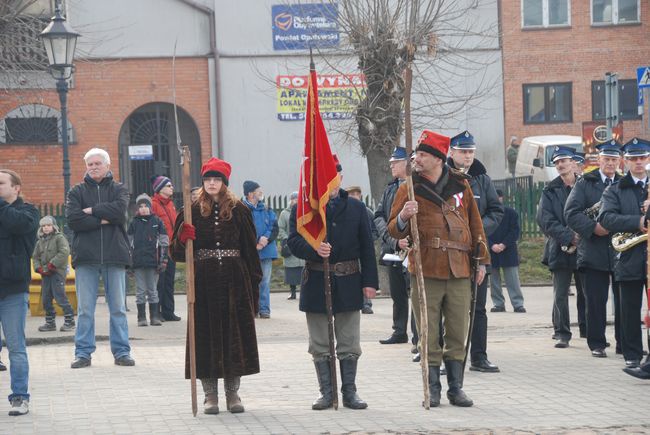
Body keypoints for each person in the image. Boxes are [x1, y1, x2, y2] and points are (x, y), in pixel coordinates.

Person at [388, 130, 488, 408]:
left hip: (459, 267)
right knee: (428, 331)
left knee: (458, 329)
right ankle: (432, 388)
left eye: (422, 154)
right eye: (416, 154)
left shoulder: (461, 185)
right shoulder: (408, 186)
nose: (416, 159)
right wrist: (404, 216)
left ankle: (455, 388)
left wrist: (482, 261)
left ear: (437, 158)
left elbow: (475, 224)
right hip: (426, 267)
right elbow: (393, 228)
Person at [170, 157, 262, 414]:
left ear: (224, 182)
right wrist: (182, 237)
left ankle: (233, 394)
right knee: (205, 336)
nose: (212, 183)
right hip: (203, 281)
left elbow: (250, 253)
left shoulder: (240, 210)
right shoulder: (190, 209)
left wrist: (254, 287)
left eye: (216, 179)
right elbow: (175, 254)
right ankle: (210, 395)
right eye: (208, 179)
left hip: (235, 280)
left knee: (234, 337)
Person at [288, 159, 378, 410]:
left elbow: (367, 247)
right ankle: (327, 393)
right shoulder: (305, 208)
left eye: (334, 175)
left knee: (349, 340)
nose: (330, 181)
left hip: (349, 280)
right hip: (316, 281)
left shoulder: (357, 208)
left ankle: (349, 392)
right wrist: (315, 248)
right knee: (319, 342)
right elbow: (293, 242)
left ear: (340, 176)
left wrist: (370, 282)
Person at [66, 148, 134, 369]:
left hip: (115, 255)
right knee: (85, 309)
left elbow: (120, 212)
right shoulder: (75, 192)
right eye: (90, 164)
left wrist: (92, 210)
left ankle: (122, 352)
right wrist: (104, 219)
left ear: (107, 165)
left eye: (98, 163)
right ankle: (83, 353)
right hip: (86, 258)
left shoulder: (119, 189)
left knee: (118, 309)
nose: (93, 167)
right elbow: (74, 221)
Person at [447, 130, 503, 373]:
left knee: (478, 308)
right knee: (448, 307)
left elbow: (496, 211)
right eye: (463, 151)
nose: (468, 156)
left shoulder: (482, 179)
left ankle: (479, 356)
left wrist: (477, 230)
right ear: (451, 152)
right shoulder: (442, 177)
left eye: (471, 151)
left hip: (477, 251)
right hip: (450, 252)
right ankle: (449, 357)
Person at [565, 140, 622, 358]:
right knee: (596, 302)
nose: (610, 163)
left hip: (620, 251)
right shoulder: (585, 183)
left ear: (619, 161)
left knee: (624, 302)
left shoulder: (624, 183)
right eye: (606, 159)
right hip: (593, 250)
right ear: (598, 160)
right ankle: (597, 343)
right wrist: (593, 228)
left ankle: (624, 343)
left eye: (614, 159)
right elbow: (571, 213)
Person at [599, 137, 650, 369]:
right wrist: (639, 220)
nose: (638, 162)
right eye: (633, 159)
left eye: (642, 158)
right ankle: (632, 355)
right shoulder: (616, 189)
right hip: (629, 256)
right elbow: (606, 218)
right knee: (629, 310)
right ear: (625, 161)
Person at [0, 169, 39, 416]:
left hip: (13, 291)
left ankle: (20, 397)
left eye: (1, 183)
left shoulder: (29, 212)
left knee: (16, 347)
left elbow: (17, 224)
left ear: (16, 188)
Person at [536, 145, 583, 349]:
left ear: (573, 162)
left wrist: (583, 233)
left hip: (585, 248)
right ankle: (562, 332)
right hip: (560, 247)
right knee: (561, 294)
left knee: (587, 293)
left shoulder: (585, 185)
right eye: (557, 162)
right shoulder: (549, 190)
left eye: (564, 160)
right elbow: (544, 219)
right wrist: (569, 237)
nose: (560, 165)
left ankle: (588, 329)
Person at [375, 146, 415, 345]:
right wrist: (392, 240)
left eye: (395, 162)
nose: (391, 165)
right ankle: (399, 331)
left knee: (415, 293)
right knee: (398, 293)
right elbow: (379, 216)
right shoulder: (390, 188)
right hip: (393, 250)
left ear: (407, 164)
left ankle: (418, 335)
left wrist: (405, 241)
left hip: (411, 249)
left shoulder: (415, 187)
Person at [127, 194, 168, 327]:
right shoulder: (133, 223)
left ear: (150, 207)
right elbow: (128, 245)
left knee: (152, 290)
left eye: (146, 206)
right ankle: (141, 318)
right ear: (137, 208)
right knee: (140, 291)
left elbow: (164, 242)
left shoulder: (157, 222)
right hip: (138, 262)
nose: (144, 209)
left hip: (153, 262)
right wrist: (129, 263)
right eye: (141, 206)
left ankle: (154, 317)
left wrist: (163, 260)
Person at [32, 215, 75, 332]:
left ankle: (70, 321)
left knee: (60, 296)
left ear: (53, 226)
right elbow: (35, 257)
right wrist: (39, 268)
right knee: (46, 298)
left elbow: (64, 252)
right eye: (43, 226)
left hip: (57, 272)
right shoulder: (40, 242)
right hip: (45, 274)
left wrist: (52, 264)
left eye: (48, 225)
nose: (46, 228)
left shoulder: (59, 238)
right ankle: (50, 323)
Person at [243, 180, 278, 319]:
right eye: (258, 191)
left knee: (264, 281)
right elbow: (244, 229)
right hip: (249, 251)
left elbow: (274, 226)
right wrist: (256, 241)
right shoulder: (241, 209)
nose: (261, 193)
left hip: (266, 250)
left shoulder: (267, 208)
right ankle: (252, 308)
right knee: (249, 280)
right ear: (251, 194)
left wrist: (265, 239)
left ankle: (264, 309)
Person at [488, 190, 525, 313]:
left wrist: (503, 244)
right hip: (491, 250)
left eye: (498, 197)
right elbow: (482, 231)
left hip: (508, 249)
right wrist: (492, 245)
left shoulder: (511, 213)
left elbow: (514, 231)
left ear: (502, 198)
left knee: (512, 279)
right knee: (493, 280)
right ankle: (498, 304)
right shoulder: (486, 214)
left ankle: (518, 303)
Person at [151, 175, 180, 321]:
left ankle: (169, 311)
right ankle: (157, 312)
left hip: (171, 248)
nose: (172, 188)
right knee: (159, 282)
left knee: (169, 281)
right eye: (169, 185)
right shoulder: (153, 204)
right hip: (160, 250)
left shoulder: (170, 204)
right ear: (160, 188)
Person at [346, 185, 379, 314]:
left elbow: (375, 230)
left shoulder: (367, 211)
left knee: (365, 275)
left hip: (364, 250)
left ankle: (366, 303)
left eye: (356, 194)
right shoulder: (344, 211)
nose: (354, 196)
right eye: (351, 194)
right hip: (351, 251)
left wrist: (369, 240)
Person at [278, 191, 304, 300]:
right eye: (294, 199)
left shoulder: (304, 211)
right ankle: (292, 292)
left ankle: (303, 292)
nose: (296, 201)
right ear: (291, 200)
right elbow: (280, 228)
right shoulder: (284, 213)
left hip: (302, 243)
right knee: (291, 270)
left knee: (303, 270)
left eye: (297, 198)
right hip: (290, 244)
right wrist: (286, 238)